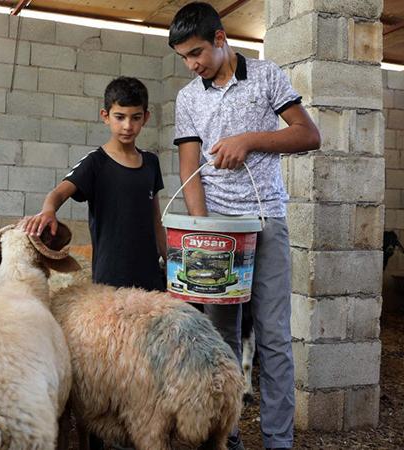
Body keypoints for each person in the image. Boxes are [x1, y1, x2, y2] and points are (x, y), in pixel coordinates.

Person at [168, 3, 322, 450]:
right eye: (183, 57)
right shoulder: (188, 97)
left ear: (220, 38)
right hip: (217, 229)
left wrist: (250, 140)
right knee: (221, 340)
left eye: (196, 52)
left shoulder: (267, 76)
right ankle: (226, 438)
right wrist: (202, 231)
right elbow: (188, 168)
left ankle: (278, 441)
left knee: (273, 336)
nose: (191, 64)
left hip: (265, 220)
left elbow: (308, 135)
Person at [23, 76, 166, 294]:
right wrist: (48, 211)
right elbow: (59, 193)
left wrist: (172, 264)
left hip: (150, 276)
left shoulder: (151, 162)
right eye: (120, 117)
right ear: (105, 116)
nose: (128, 126)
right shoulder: (95, 163)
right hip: (111, 277)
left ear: (145, 117)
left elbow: (156, 220)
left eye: (135, 117)